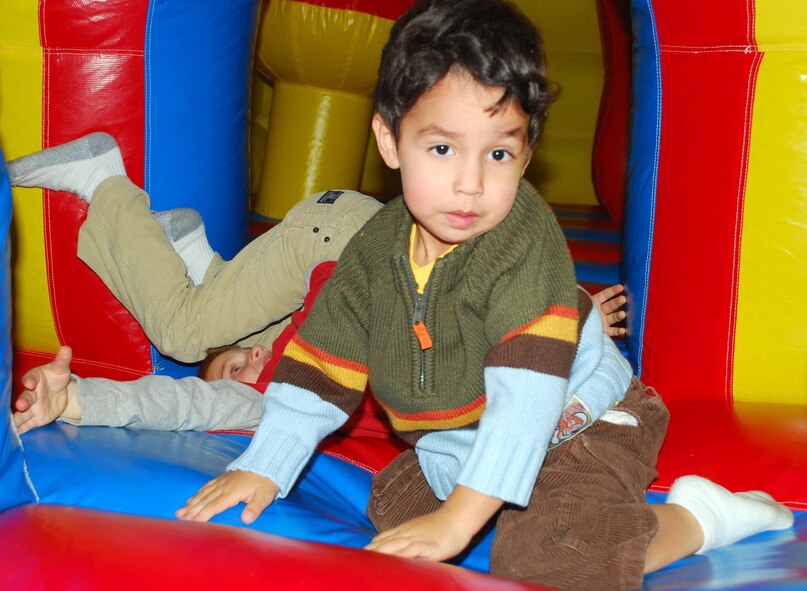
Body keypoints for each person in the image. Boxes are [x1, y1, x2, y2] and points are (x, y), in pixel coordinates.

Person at [166, 1, 792, 589]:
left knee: (550, 560)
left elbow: (526, 400)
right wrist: (264, 464)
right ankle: (494, 496)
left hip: (581, 422)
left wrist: (460, 518)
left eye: (498, 152)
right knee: (394, 509)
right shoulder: (375, 251)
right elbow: (323, 362)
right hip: (459, 437)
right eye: (442, 148)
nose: (470, 183)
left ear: (526, 155)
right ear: (390, 140)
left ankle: (699, 517)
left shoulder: (523, 245)